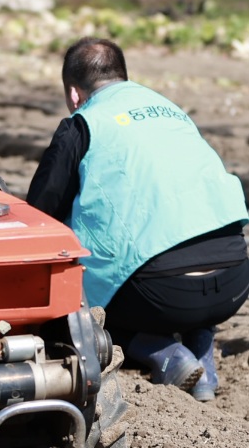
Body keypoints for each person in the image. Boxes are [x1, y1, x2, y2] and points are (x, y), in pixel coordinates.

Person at [26, 37, 249, 401]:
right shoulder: (170, 110)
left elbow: (40, 213)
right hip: (234, 280)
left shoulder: (83, 123)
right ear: (123, 77)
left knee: (72, 318)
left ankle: (163, 353)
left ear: (74, 93)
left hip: (161, 293)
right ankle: (202, 353)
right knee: (186, 258)